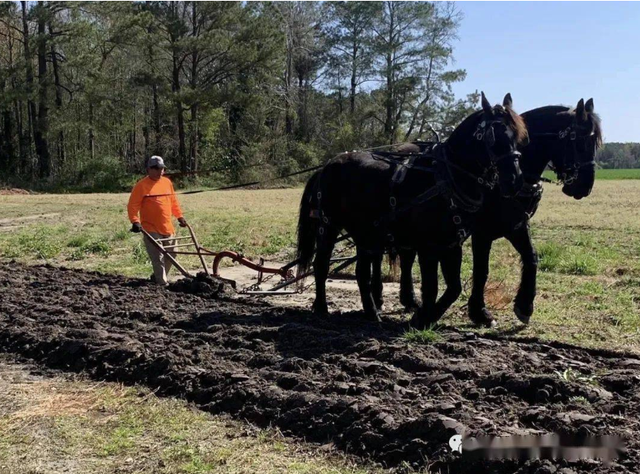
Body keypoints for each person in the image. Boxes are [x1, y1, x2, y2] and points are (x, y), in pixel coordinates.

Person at [127, 155, 187, 285]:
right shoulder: (141, 185)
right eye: (156, 169)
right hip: (150, 227)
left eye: (162, 169)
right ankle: (162, 283)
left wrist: (180, 216)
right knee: (158, 257)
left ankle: (157, 277)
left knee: (172, 254)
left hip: (167, 226)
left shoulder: (167, 183)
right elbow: (133, 205)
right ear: (149, 169)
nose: (160, 171)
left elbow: (173, 202)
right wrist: (135, 221)